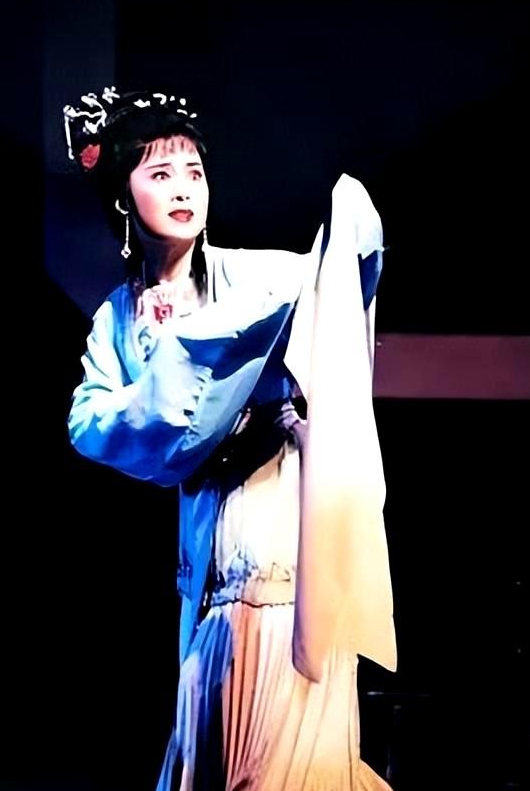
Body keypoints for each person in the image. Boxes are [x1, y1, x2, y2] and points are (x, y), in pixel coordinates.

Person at [63, 86, 397, 790]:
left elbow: (341, 287)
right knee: (213, 750)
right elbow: (92, 424)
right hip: (207, 561)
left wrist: (350, 243)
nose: (183, 188)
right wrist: (175, 380)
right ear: (124, 196)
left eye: (193, 171)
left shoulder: (261, 277)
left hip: (281, 535)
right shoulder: (116, 319)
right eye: (160, 174)